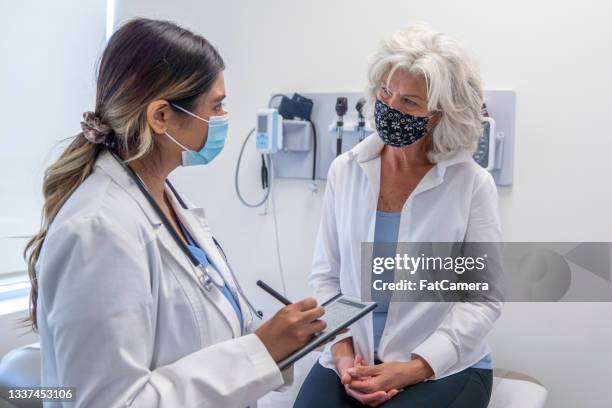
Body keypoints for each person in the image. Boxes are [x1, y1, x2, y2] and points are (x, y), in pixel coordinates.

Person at [24, 18, 326, 408]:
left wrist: (276, 339)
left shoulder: (163, 199)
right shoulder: (97, 230)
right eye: (215, 106)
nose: (222, 118)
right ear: (161, 116)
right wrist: (260, 351)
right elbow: (109, 402)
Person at [295, 23, 502, 407]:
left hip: (442, 363)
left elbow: (482, 300)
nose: (390, 108)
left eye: (410, 102)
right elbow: (326, 277)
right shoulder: (346, 170)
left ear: (439, 115)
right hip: (351, 354)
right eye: (386, 92)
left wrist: (414, 368)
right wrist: (342, 356)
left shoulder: (471, 185)